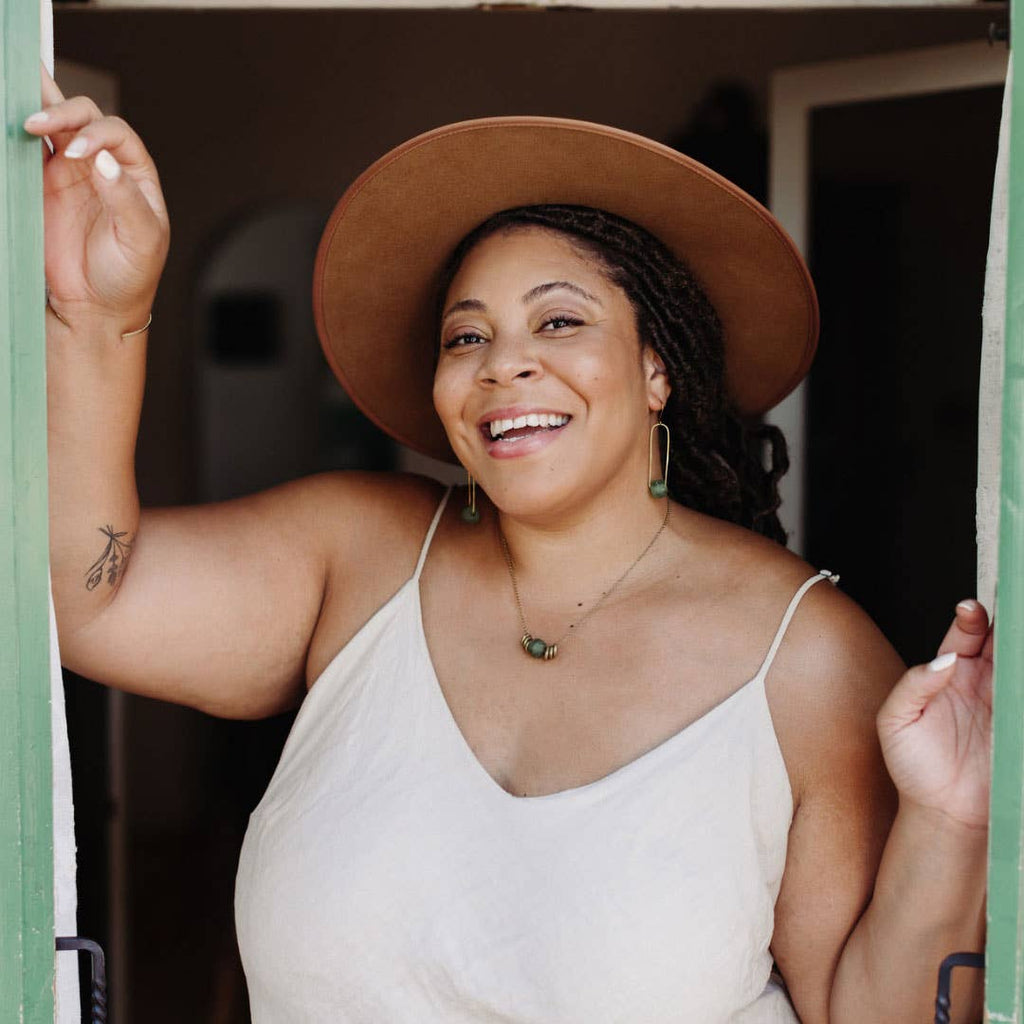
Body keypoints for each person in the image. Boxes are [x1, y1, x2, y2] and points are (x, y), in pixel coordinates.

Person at [26, 70, 993, 1024]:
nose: (504, 364)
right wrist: (98, 314)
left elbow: (874, 1016)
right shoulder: (357, 556)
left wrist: (951, 822)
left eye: (559, 321)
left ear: (656, 367)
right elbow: (88, 598)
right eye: (465, 337)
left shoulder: (806, 658)